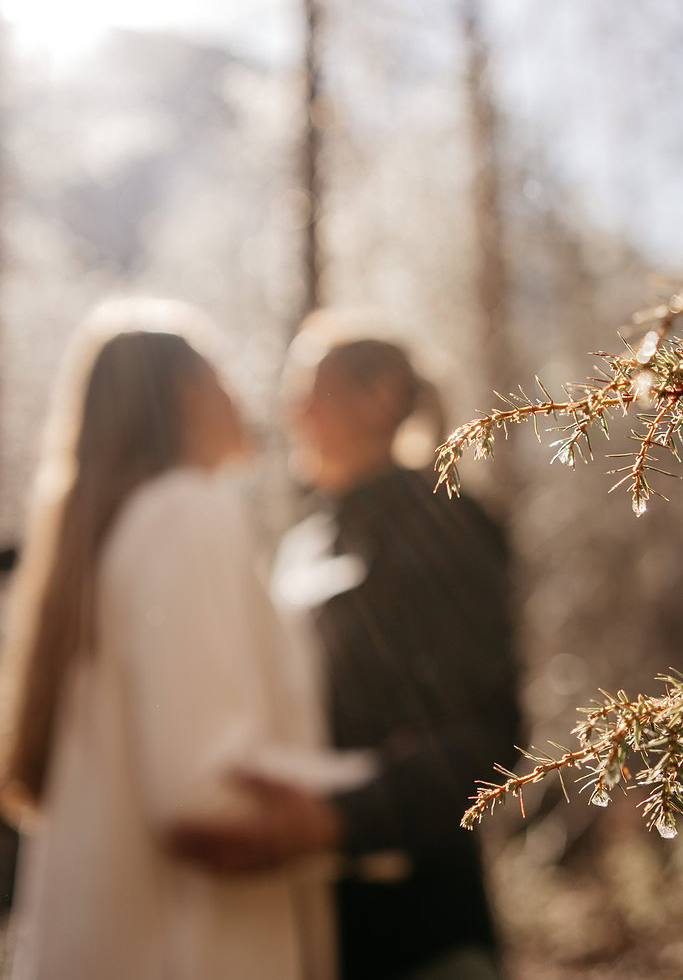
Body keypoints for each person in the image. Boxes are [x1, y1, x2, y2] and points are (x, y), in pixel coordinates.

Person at [1, 299, 364, 980]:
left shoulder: (111, 538)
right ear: (185, 392)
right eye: (220, 374)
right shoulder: (186, 513)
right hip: (190, 951)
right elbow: (207, 790)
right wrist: (373, 795)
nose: (240, 396)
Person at [172, 324, 521, 980]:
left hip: (426, 934)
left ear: (380, 396)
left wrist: (338, 820)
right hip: (309, 926)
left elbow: (487, 733)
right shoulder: (304, 541)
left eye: (312, 391)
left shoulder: (445, 522)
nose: (292, 413)